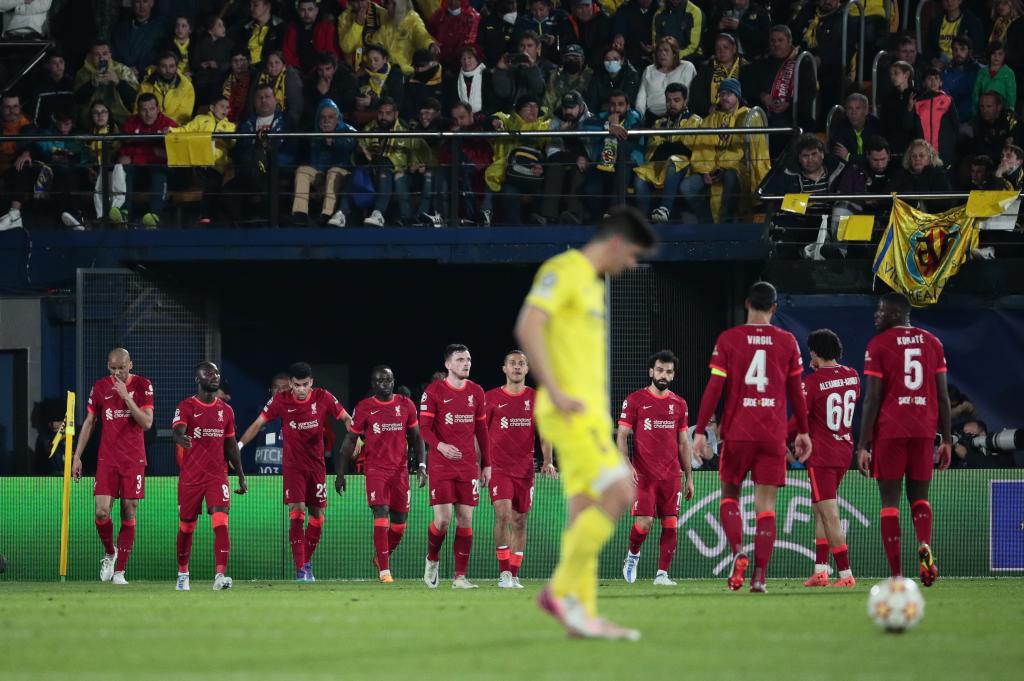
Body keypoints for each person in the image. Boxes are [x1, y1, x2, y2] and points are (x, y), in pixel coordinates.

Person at [517, 206, 656, 639]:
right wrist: (555, 390)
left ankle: (583, 615)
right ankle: (559, 591)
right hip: (569, 412)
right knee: (620, 492)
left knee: (583, 515)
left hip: (588, 415)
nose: (631, 265)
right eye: (632, 255)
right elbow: (529, 325)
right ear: (615, 243)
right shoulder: (566, 269)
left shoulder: (594, 287)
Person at [691, 281, 812, 593]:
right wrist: (803, 432)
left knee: (730, 496)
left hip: (738, 432)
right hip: (772, 435)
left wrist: (701, 429)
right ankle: (759, 577)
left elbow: (714, 388)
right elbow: (797, 394)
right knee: (766, 507)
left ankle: (738, 553)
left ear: (747, 304)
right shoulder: (787, 342)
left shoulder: (729, 339)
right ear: (774, 308)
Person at [856, 292, 952, 587]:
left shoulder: (878, 345)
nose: (877, 315)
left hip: (890, 431)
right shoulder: (932, 342)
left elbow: (872, 399)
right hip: (924, 430)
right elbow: (943, 397)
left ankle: (897, 574)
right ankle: (924, 544)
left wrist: (863, 444)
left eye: (881, 310)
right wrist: (946, 439)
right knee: (920, 498)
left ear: (897, 313)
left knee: (889, 502)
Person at [238, 361, 352, 582]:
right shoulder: (280, 400)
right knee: (297, 514)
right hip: (293, 467)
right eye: (297, 385)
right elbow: (258, 423)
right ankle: (301, 569)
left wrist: (354, 435)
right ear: (290, 384)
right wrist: (239, 446)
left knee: (317, 517)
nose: (301, 389)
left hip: (317, 466)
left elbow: (346, 418)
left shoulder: (323, 397)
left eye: (305, 384)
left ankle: (306, 562)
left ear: (312, 383)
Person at [71, 348, 155, 586]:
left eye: (121, 367)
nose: (117, 372)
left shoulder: (143, 385)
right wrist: (77, 456)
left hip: (133, 459)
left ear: (130, 364)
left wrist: (127, 396)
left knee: (129, 511)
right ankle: (110, 552)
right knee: (101, 512)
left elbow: (147, 422)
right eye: (112, 368)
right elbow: (89, 422)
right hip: (107, 459)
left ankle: (120, 572)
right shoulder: (99, 387)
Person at [335, 366, 426, 583]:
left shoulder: (406, 405)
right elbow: (349, 441)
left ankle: (380, 557)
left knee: (400, 523)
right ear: (373, 384)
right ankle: (385, 571)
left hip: (400, 471)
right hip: (375, 470)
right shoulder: (365, 407)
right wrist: (341, 473)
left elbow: (417, 437)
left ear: (394, 381)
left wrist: (422, 465)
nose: (384, 384)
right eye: (380, 381)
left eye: (388, 380)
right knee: (381, 512)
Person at [618, 350, 694, 587]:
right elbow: (621, 436)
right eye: (660, 370)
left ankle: (662, 574)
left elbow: (683, 442)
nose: (664, 375)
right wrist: (626, 463)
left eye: (668, 371)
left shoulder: (679, 404)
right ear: (651, 371)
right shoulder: (635, 400)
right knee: (644, 523)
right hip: (644, 474)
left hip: (671, 475)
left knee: (670, 523)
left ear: (673, 375)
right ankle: (632, 555)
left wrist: (689, 476)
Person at [171, 362, 247, 592]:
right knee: (186, 527)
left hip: (217, 475)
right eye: (208, 373)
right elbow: (177, 429)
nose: (214, 376)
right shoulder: (186, 406)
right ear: (197, 378)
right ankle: (183, 573)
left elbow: (231, 445)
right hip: (191, 477)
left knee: (221, 520)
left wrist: (241, 475)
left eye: (216, 373)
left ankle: (220, 575)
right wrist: (180, 438)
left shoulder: (226, 410)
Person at [419, 344, 490, 589]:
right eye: (460, 360)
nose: (466, 363)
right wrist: (440, 446)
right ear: (448, 364)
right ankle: (432, 560)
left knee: (466, 519)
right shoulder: (433, 391)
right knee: (443, 520)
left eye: (468, 359)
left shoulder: (477, 392)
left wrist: (486, 465)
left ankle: (460, 577)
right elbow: (424, 429)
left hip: (468, 466)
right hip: (441, 465)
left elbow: (482, 431)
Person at [485, 350, 555, 589]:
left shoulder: (536, 399)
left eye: (522, 364)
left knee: (520, 521)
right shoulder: (491, 398)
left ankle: (514, 574)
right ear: (504, 369)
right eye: (512, 363)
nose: (517, 367)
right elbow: (480, 435)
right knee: (503, 515)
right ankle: (503, 573)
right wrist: (480, 464)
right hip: (498, 468)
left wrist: (548, 461)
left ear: (527, 369)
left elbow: (545, 434)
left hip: (525, 470)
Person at [798, 329, 859, 589]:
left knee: (830, 514)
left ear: (815, 352)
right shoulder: (853, 376)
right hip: (844, 451)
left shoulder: (812, 381)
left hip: (821, 454)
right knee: (821, 511)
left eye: (811, 350)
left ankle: (845, 575)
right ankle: (821, 571)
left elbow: (799, 419)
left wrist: (778, 436)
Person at [681, 77, 768, 223]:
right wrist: (706, 171)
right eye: (721, 94)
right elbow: (703, 147)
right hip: (712, 169)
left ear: (737, 96)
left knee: (730, 176)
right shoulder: (712, 118)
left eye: (728, 94)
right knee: (686, 187)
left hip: (739, 169)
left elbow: (743, 150)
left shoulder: (749, 116)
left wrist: (722, 167)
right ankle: (707, 222)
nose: (724, 97)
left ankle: (725, 223)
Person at [633, 82, 701, 222]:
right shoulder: (659, 123)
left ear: (685, 100)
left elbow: (689, 150)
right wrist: (674, 146)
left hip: (686, 166)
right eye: (668, 100)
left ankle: (665, 208)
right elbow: (652, 153)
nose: (672, 104)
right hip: (660, 165)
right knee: (640, 176)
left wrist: (668, 147)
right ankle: (642, 220)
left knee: (675, 160)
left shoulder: (695, 121)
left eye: (676, 100)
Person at [745, 25, 815, 157]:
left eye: (780, 40)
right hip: (767, 115)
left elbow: (809, 91)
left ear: (789, 41)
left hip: (794, 115)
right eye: (773, 41)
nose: (776, 44)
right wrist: (762, 96)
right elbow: (749, 87)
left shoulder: (802, 62)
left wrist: (789, 103)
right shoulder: (761, 63)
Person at [169, 95, 236, 225]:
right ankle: (207, 216)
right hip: (200, 163)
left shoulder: (230, 126)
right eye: (222, 106)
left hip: (218, 167)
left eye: (227, 107)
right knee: (211, 180)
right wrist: (171, 130)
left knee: (215, 181)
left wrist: (228, 138)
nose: (225, 110)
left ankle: (209, 216)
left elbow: (234, 143)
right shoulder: (201, 119)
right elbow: (185, 130)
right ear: (212, 107)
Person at [116, 93, 178, 228]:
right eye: (144, 110)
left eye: (151, 109)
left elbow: (175, 155)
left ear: (158, 109)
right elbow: (123, 153)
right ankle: (124, 214)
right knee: (124, 168)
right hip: (138, 172)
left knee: (158, 170)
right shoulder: (131, 123)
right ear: (138, 111)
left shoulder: (169, 124)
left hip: (161, 173)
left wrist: (135, 156)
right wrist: (153, 153)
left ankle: (154, 217)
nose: (148, 114)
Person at [291, 98, 356, 226]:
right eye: (323, 117)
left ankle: (327, 214)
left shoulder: (347, 129)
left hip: (341, 172)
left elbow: (352, 144)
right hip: (320, 172)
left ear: (337, 118)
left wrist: (333, 140)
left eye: (330, 117)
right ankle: (300, 214)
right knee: (302, 170)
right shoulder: (314, 132)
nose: (326, 120)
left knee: (333, 172)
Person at [582, 89, 643, 219]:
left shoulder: (635, 118)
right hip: (602, 164)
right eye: (613, 104)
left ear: (627, 106)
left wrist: (615, 127)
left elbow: (633, 138)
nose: (616, 108)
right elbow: (585, 127)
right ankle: (598, 219)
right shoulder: (603, 117)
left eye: (620, 104)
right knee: (591, 190)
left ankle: (614, 213)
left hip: (628, 164)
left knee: (623, 158)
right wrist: (608, 126)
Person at [358, 97, 414, 226]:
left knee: (390, 173)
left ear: (396, 114)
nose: (383, 117)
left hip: (401, 173)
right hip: (374, 171)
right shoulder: (370, 127)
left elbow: (403, 159)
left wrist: (382, 160)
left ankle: (379, 213)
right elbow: (361, 145)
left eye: (388, 114)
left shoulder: (404, 130)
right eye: (381, 113)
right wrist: (363, 152)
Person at [73, 40, 139, 129]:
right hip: (90, 123)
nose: (101, 58)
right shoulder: (82, 73)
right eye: (97, 54)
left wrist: (118, 82)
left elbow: (135, 99)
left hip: (121, 120)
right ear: (90, 56)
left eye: (104, 54)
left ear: (110, 55)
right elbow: (77, 101)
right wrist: (92, 84)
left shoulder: (123, 70)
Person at [635, 37, 696, 122]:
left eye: (666, 50)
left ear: (674, 54)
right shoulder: (649, 70)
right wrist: (639, 116)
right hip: (652, 117)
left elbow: (690, 94)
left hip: (679, 116)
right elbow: (641, 96)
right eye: (659, 51)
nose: (662, 54)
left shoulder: (687, 67)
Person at [688, 32, 746, 117]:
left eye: (725, 47)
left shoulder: (745, 68)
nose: (721, 51)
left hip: (739, 114)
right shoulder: (706, 68)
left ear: (734, 49)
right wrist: (708, 107)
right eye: (718, 48)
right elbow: (696, 96)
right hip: (711, 116)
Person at [912, 68, 960, 170]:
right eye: (929, 79)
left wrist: (952, 148)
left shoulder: (948, 100)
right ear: (924, 83)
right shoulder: (917, 103)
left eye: (936, 78)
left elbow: (956, 125)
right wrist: (909, 109)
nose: (933, 82)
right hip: (924, 154)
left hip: (945, 153)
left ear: (941, 82)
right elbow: (909, 127)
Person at [374, 0, 438, 75]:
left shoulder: (413, 19)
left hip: (407, 71)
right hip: (387, 70)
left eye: (389, 3)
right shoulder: (387, 20)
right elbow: (376, 43)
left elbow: (421, 35)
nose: (386, 6)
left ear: (398, 5)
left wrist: (429, 44)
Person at [282, 0, 340, 78]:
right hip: (297, 72)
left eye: (310, 9)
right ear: (298, 11)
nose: (306, 14)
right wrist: (296, 70)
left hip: (321, 71)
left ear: (316, 10)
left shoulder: (327, 27)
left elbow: (330, 53)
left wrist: (317, 70)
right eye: (303, 10)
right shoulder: (292, 29)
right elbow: (287, 54)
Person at [137, 51, 196, 126]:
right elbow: (138, 110)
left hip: (175, 130)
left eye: (171, 66)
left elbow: (183, 116)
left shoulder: (186, 86)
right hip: (148, 127)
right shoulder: (146, 85)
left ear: (177, 67)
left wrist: (162, 125)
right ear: (157, 67)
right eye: (163, 66)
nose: (168, 70)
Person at [250, 50, 304, 130]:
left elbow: (296, 106)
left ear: (283, 64)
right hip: (260, 120)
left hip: (284, 121)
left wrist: (288, 126)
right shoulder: (259, 77)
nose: (273, 66)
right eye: (270, 63)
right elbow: (251, 102)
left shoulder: (291, 77)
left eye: (277, 63)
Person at [111, 0, 167, 76]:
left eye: (145, 1)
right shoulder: (121, 28)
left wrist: (139, 68)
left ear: (152, 3)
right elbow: (115, 53)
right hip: (122, 75)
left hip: (149, 76)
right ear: (132, 3)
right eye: (138, 2)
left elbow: (159, 53)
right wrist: (126, 69)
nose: (142, 6)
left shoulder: (161, 28)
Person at [923, 0, 985, 68]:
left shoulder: (972, 21)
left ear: (960, 1)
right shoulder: (936, 22)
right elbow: (929, 48)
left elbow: (978, 48)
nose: (949, 2)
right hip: (941, 62)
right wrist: (933, 60)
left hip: (963, 62)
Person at [191, 15, 233, 110]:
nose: (223, 28)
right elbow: (194, 63)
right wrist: (202, 65)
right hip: (203, 79)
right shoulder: (201, 43)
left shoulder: (228, 44)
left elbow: (232, 63)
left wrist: (218, 65)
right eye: (219, 25)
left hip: (221, 79)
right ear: (210, 30)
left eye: (223, 25)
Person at [829, 93, 882, 166]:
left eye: (858, 108)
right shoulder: (840, 127)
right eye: (850, 108)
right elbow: (838, 156)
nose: (853, 113)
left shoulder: (876, 125)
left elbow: (876, 157)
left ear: (866, 111)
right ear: (846, 112)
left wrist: (848, 157)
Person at [705, 0, 770, 58]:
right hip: (722, 56)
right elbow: (706, 37)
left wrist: (740, 27)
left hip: (749, 57)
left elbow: (764, 40)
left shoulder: (760, 12)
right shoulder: (721, 9)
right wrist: (718, 27)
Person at [559, 0, 612, 70]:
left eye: (587, 6)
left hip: (598, 65)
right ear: (573, 9)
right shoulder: (566, 23)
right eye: (580, 7)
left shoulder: (605, 21)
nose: (584, 10)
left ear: (592, 5)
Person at [585, 46, 640, 113]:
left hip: (625, 114)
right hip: (600, 114)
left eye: (615, 59)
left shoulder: (631, 75)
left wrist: (609, 106)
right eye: (607, 59)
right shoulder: (597, 75)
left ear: (622, 61)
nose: (611, 62)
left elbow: (629, 101)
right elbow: (591, 101)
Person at [878, 60, 916, 157]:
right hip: (892, 146)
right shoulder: (888, 98)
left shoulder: (917, 95)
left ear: (906, 74)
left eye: (896, 73)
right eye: (891, 74)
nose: (892, 77)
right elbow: (884, 123)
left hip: (912, 147)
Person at [429, 0, 481, 70]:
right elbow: (430, 33)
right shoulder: (439, 14)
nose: (452, 2)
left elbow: (470, 42)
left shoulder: (472, 16)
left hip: (460, 63)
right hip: (440, 60)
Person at [338, 0, 389, 71]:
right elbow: (346, 47)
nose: (360, 5)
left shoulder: (381, 14)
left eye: (362, 0)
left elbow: (386, 46)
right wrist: (357, 25)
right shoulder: (344, 17)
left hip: (377, 67)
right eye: (356, 1)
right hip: (354, 68)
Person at [305, 52, 358, 119]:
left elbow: (348, 106)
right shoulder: (311, 80)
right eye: (320, 70)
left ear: (335, 68)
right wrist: (319, 92)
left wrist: (326, 93)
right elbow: (309, 109)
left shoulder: (347, 79)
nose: (324, 74)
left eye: (328, 69)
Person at [542, 43, 592, 116]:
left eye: (576, 58)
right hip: (558, 119)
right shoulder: (555, 77)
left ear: (583, 59)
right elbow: (548, 102)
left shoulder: (589, 77)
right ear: (563, 59)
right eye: (568, 58)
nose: (571, 61)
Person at [28, 52, 74, 129]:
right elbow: (34, 115)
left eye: (61, 61)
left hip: (68, 131)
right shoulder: (40, 87)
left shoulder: (72, 84)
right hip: (46, 132)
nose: (59, 65)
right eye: (54, 63)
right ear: (48, 66)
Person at [231, 0, 285, 66]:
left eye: (255, 5)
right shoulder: (245, 27)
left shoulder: (280, 27)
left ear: (267, 6)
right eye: (250, 5)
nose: (251, 8)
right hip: (246, 68)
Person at [973, 41, 1017, 113]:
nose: (996, 57)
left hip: (1001, 112)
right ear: (989, 54)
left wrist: (1009, 112)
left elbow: (1011, 96)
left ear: (1005, 55)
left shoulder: (1009, 73)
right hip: (983, 111)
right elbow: (976, 94)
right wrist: (977, 110)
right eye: (993, 53)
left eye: (1000, 54)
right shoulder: (982, 72)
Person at [943, 36, 980, 121]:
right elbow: (945, 97)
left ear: (969, 51)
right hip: (952, 119)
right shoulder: (946, 72)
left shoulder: (978, 72)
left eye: (962, 49)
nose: (958, 53)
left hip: (974, 120)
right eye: (955, 49)